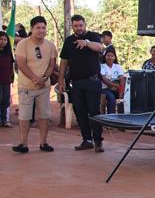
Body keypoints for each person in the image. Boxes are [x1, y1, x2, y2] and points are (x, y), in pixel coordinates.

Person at [59, 14, 104, 152]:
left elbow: (100, 47)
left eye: (81, 25)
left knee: (94, 111)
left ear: (85, 25)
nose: (79, 28)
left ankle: (98, 141)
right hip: (76, 82)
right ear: (72, 26)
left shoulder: (93, 36)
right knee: (80, 111)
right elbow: (64, 61)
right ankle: (86, 140)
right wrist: (61, 79)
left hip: (92, 81)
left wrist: (87, 43)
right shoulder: (69, 41)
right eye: (76, 26)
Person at [12, 16, 57, 153]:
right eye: (38, 27)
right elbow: (21, 64)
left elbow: (52, 65)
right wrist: (35, 79)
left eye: (43, 27)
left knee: (44, 116)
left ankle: (43, 143)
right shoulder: (22, 45)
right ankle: (23, 144)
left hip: (44, 87)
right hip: (26, 86)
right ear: (31, 29)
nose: (41, 30)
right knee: (24, 117)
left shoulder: (50, 45)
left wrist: (43, 78)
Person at [100, 47, 124, 113]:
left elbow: (122, 79)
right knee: (111, 97)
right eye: (108, 55)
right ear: (105, 57)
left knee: (125, 97)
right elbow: (104, 80)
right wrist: (116, 86)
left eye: (112, 56)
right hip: (104, 89)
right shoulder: (101, 66)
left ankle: (122, 116)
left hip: (117, 88)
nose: (110, 57)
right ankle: (111, 116)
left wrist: (120, 91)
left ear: (114, 57)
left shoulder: (118, 66)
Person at [0, 31, 14, 127]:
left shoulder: (8, 53)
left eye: (5, 39)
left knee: (5, 101)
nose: (2, 41)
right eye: (0, 39)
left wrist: (11, 77)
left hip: (6, 80)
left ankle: (4, 120)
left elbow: (11, 66)